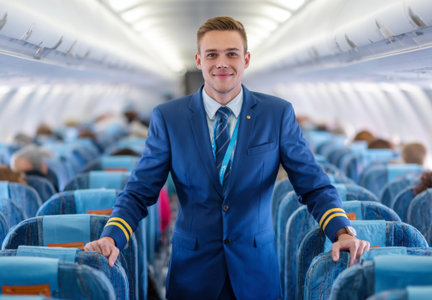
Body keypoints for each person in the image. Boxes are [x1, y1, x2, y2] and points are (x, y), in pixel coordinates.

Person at [86, 16, 370, 299]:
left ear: (246, 59)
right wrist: (112, 236)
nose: (222, 62)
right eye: (212, 54)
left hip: (256, 272)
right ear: (199, 60)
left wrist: (342, 232)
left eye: (231, 53)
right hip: (192, 275)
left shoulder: (276, 114)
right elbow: (139, 190)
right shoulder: (169, 118)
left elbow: (314, 185)